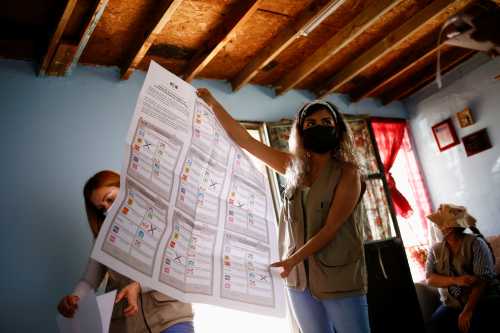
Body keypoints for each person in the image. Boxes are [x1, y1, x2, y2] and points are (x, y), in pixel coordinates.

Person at [197, 89, 370, 333]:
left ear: (337, 129)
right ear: (300, 132)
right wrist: (213, 103)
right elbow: (246, 140)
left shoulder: (349, 173)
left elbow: (331, 228)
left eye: (325, 122)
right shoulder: (292, 167)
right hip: (298, 281)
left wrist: (292, 259)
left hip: (339, 278)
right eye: (310, 123)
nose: (318, 126)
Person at [57, 170, 194, 333]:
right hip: (126, 326)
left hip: (170, 317)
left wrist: (139, 286)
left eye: (110, 199)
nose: (107, 208)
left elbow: (176, 267)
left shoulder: (162, 221)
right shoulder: (104, 237)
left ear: (125, 188)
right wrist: (75, 298)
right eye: (102, 208)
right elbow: (89, 281)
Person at [425, 203, 500, 333]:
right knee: (434, 326)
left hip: (481, 301)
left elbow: (482, 280)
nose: (437, 227)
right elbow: (429, 278)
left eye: (440, 223)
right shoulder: (435, 249)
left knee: (473, 325)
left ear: (450, 228)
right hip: (451, 305)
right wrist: (456, 280)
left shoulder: (476, 244)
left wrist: (468, 310)